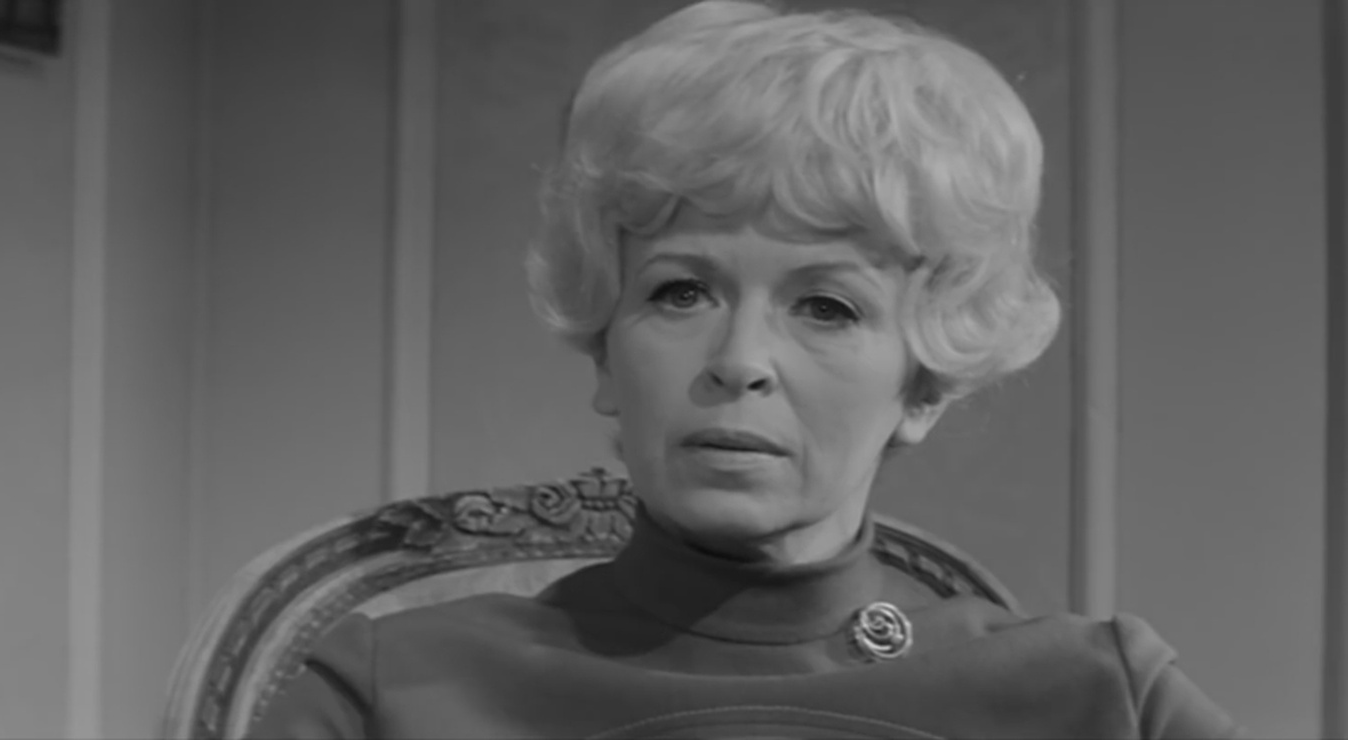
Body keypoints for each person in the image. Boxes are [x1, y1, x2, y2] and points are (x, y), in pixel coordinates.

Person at [252, 1, 1242, 736]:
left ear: (924, 385)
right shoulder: (394, 691)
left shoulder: (1099, 695)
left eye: (827, 307)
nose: (738, 362)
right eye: (682, 292)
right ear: (604, 348)